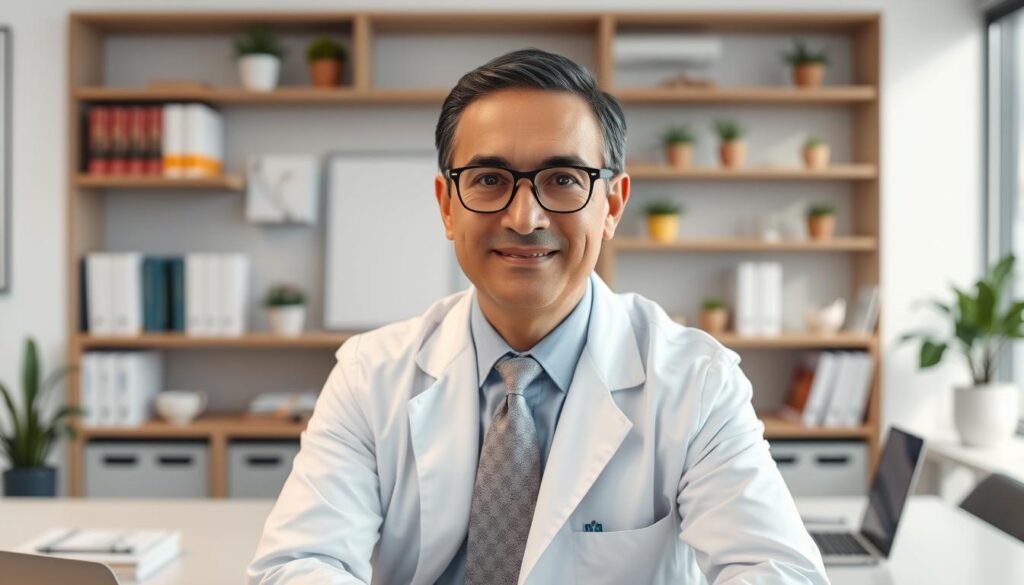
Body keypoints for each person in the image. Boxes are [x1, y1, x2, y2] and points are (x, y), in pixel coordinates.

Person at [248, 48, 828, 585]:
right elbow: (300, 561)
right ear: (447, 207)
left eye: (563, 180)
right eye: (489, 180)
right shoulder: (370, 374)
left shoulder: (696, 382)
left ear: (614, 205)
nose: (525, 217)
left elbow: (777, 568)